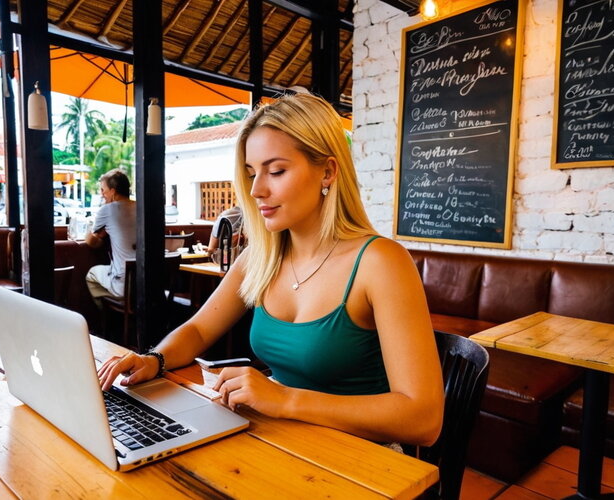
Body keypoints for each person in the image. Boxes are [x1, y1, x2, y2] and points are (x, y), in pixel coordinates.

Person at [97, 93, 445, 447]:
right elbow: (200, 330)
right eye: (251, 173)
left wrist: (285, 399)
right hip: (282, 440)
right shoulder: (261, 257)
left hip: (363, 460)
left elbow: (424, 420)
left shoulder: (381, 262)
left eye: (276, 171)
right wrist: (154, 359)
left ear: (328, 171)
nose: (256, 189)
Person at [85, 170, 136, 301]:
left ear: (113, 191)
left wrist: (99, 235)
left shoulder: (107, 209)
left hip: (123, 285)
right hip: (147, 284)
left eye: (103, 190)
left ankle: (109, 314)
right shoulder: (140, 207)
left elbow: (90, 241)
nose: (101, 194)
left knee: (91, 274)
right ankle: (127, 307)